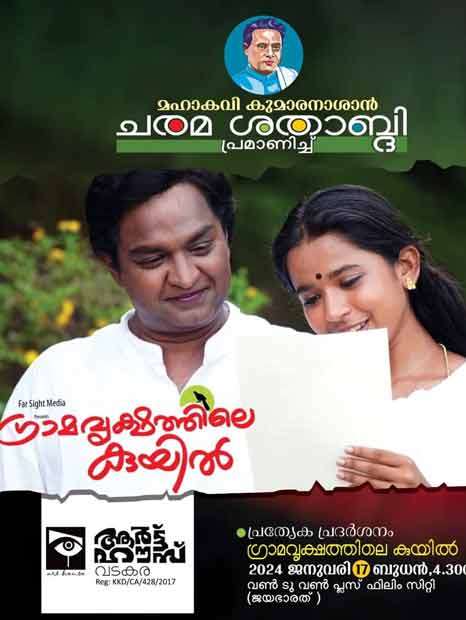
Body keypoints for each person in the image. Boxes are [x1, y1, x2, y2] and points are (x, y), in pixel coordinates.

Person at [0, 169, 282, 495]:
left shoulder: (295, 365)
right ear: (114, 269)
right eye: (152, 259)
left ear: (227, 241)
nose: (185, 277)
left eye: (201, 247)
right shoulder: (57, 379)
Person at [272, 185, 466, 489]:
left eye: (349, 281)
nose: (333, 312)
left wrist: (427, 503)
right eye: (311, 300)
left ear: (406, 267)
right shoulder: (296, 408)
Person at [231, 17, 299, 95]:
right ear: (246, 49)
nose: (270, 54)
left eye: (276, 47)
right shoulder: (236, 82)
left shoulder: (291, 77)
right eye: (262, 46)